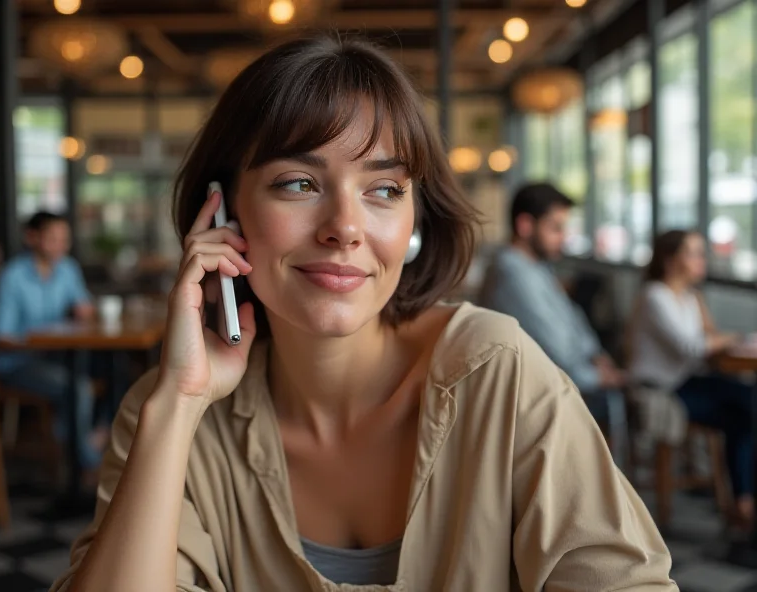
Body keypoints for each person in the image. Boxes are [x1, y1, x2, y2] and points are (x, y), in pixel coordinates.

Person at [51, 37, 675, 592]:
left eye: (383, 190)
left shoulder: (495, 372)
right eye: (298, 182)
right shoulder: (170, 414)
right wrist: (179, 406)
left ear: (414, 218)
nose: (346, 228)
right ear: (222, 214)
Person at [484, 182, 628, 461]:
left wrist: (597, 355)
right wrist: (599, 375)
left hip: (562, 385)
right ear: (525, 225)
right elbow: (556, 352)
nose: (563, 237)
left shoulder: (535, 266)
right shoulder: (512, 275)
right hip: (536, 400)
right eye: (555, 228)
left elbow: (572, 318)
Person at [629, 229, 752, 526]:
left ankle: (743, 500)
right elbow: (692, 346)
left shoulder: (688, 297)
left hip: (686, 380)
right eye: (693, 253)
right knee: (745, 408)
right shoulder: (655, 296)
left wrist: (711, 324)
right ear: (671, 260)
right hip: (662, 388)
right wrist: (733, 337)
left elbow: (708, 339)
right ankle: (744, 501)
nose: (702, 260)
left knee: (747, 408)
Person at [0, 211, 106, 473]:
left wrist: (83, 311)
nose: (60, 246)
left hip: (57, 356)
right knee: (79, 388)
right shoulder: (13, 276)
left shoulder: (67, 269)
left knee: (115, 369)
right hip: (18, 363)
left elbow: (84, 306)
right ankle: (86, 464)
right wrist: (40, 342)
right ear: (32, 237)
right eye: (53, 238)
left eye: (64, 239)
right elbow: (0, 337)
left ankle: (92, 437)